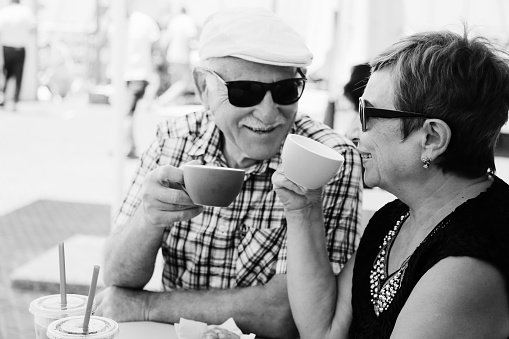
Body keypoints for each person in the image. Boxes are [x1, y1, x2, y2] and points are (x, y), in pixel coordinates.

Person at [96, 7, 363, 338]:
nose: (268, 113)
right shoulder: (174, 138)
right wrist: (147, 220)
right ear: (203, 87)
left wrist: (147, 307)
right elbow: (117, 276)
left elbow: (285, 313)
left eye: (286, 90)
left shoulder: (328, 159)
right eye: (244, 91)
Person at [272, 27, 509, 338]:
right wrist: (303, 209)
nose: (352, 133)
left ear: (432, 138)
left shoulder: (465, 268)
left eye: (367, 114)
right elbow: (324, 329)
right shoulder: (396, 217)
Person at [123, 5, 160, 158]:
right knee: (126, 113)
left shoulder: (141, 21)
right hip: (129, 74)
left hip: (137, 74)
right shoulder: (142, 21)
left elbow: (156, 48)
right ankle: (127, 145)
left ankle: (128, 146)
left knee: (126, 113)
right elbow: (157, 47)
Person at [157, 5, 198, 106]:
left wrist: (163, 55)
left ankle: (172, 102)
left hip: (171, 55)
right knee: (184, 81)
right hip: (182, 55)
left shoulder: (173, 21)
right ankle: (163, 100)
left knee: (176, 80)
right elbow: (191, 39)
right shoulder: (188, 20)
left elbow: (165, 40)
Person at [0, 0, 36, 111]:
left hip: (6, 47)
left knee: (6, 74)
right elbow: (33, 28)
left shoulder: (5, 11)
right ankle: (14, 101)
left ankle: (3, 98)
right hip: (20, 48)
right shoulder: (26, 11)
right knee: (18, 76)